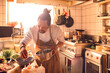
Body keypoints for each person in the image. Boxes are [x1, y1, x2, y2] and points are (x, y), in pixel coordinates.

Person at [20, 8, 65, 73]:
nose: (40, 28)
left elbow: (62, 42)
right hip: (39, 61)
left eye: (43, 27)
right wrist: (22, 48)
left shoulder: (56, 30)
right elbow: (23, 42)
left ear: (49, 25)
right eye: (39, 25)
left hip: (53, 60)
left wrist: (57, 46)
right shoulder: (32, 30)